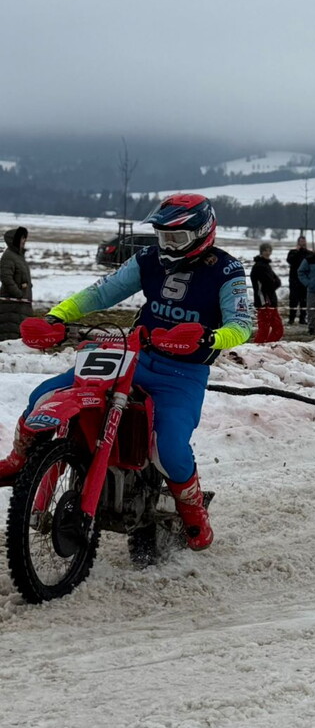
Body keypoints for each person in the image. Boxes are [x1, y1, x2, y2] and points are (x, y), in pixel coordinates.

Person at [0, 194, 250, 549]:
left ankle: (193, 511)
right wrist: (57, 317)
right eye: (163, 236)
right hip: (132, 353)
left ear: (202, 232)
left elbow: (242, 325)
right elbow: (102, 292)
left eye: (176, 237)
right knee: (44, 395)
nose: (168, 245)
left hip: (182, 373)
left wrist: (210, 337)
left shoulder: (227, 270)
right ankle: (18, 460)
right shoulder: (148, 258)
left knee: (169, 448)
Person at [0, 225, 32, 341]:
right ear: (15, 240)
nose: (24, 241)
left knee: (18, 333)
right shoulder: (9, 256)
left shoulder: (19, 256)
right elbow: (6, 278)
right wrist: (18, 293)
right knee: (9, 333)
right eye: (22, 238)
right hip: (11, 306)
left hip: (21, 305)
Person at [250, 242, 284, 343]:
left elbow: (276, 282)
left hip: (271, 300)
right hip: (264, 302)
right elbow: (269, 284)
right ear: (261, 251)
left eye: (269, 250)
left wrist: (273, 284)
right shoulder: (259, 266)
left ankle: (267, 347)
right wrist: (273, 284)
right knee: (264, 331)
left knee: (278, 330)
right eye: (265, 250)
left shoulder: (266, 265)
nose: (268, 252)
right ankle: (257, 348)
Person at [286, 235, 309, 325]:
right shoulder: (293, 252)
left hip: (304, 281)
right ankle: (291, 318)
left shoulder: (308, 253)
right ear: (298, 242)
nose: (302, 243)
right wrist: (298, 251)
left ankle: (302, 318)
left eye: (304, 241)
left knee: (304, 301)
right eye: (301, 241)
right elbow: (290, 260)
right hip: (294, 280)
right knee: (293, 300)